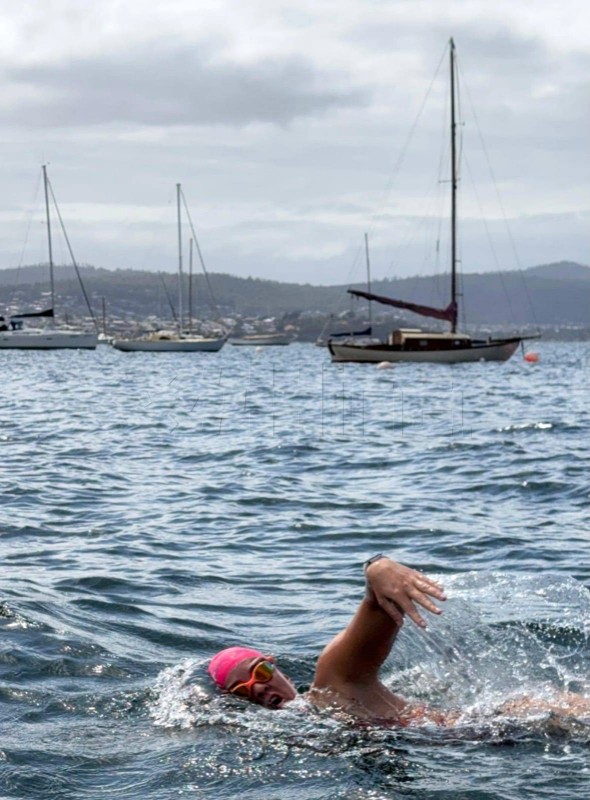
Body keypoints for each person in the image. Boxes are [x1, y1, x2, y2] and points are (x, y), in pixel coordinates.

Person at [207, 555, 590, 725]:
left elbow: (377, 603)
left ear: (277, 666)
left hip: (514, 723)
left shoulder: (334, 684)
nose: (257, 688)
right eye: (242, 689)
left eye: (260, 671)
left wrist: (378, 566)